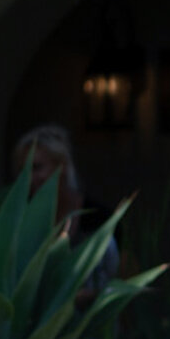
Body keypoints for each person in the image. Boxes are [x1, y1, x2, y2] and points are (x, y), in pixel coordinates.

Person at [11, 123, 117, 296]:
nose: (29, 178)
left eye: (37, 167)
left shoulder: (99, 219)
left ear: (62, 166)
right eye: (23, 170)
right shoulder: (20, 221)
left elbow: (122, 280)